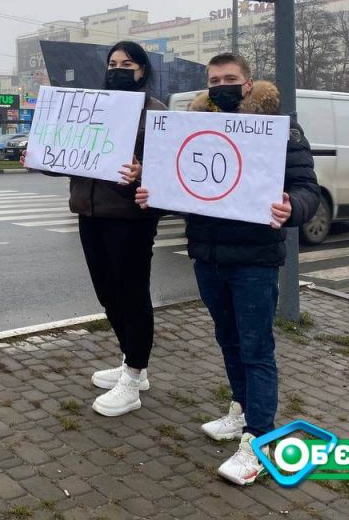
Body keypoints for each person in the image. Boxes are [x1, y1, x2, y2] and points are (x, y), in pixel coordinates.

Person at [136, 52, 320, 485]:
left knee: (256, 349)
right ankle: (240, 410)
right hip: (207, 255)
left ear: (248, 82)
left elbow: (307, 187)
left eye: (230, 78)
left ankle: (259, 441)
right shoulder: (195, 126)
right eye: (214, 79)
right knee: (228, 339)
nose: (222, 84)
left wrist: (293, 207)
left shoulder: (282, 127)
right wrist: (154, 197)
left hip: (255, 258)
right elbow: (182, 182)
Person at [29, 41, 166, 417]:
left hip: (131, 219)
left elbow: (170, 174)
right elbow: (70, 156)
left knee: (133, 295)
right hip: (90, 213)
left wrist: (144, 173)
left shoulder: (156, 113)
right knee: (108, 294)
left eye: (127, 63)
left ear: (142, 70)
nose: (117, 68)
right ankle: (132, 363)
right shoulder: (90, 106)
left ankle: (134, 377)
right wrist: (41, 156)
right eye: (112, 63)